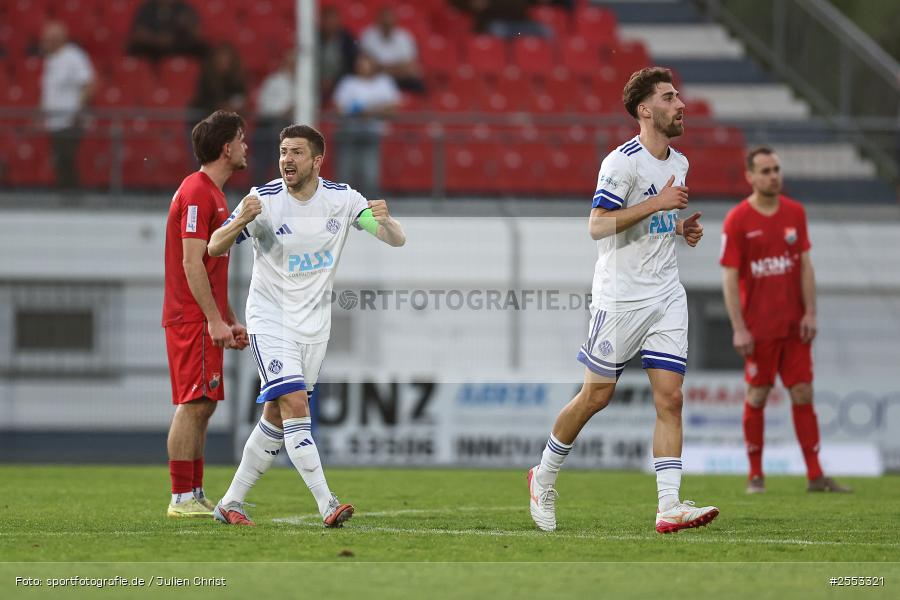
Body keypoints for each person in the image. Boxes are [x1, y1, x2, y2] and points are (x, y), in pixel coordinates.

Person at [528, 67, 715, 535]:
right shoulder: (620, 163)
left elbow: (652, 220)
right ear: (645, 110)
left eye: (679, 96)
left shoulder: (680, 162)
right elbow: (597, 225)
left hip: (666, 294)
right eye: (670, 97)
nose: (681, 104)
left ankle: (669, 505)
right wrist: (659, 206)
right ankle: (543, 475)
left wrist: (677, 227)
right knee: (597, 395)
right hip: (619, 299)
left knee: (670, 399)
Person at [207, 124, 406, 527]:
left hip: (314, 325)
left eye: (296, 152)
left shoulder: (342, 199)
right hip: (271, 318)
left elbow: (395, 240)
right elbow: (213, 245)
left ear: (317, 160)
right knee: (296, 404)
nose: (286, 160)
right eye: (283, 151)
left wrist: (387, 223)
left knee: (277, 418)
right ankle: (327, 503)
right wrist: (238, 219)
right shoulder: (262, 200)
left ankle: (230, 503)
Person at [721, 146, 851, 495]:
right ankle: (755, 475)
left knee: (803, 393)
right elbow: (730, 278)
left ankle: (815, 476)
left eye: (776, 169)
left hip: (795, 327)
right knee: (758, 395)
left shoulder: (796, 212)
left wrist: (811, 311)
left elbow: (806, 266)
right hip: (759, 329)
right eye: (765, 171)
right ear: (750, 177)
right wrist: (738, 327)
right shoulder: (737, 220)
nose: (773, 176)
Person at [162, 110, 250, 518]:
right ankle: (181, 498)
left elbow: (212, 272)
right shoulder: (197, 192)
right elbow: (192, 263)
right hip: (191, 317)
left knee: (204, 403)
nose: (247, 146)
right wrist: (213, 320)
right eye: (242, 139)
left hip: (203, 316)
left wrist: (228, 319)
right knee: (192, 403)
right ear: (226, 147)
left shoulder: (213, 193)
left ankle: (194, 494)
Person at [332, 54, 400, 198]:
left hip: (373, 133)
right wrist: (357, 110)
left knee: (370, 175)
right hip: (349, 132)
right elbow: (339, 108)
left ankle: (369, 208)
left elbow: (392, 108)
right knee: (346, 174)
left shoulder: (384, 82)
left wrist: (370, 110)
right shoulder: (348, 82)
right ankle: (344, 208)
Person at [40, 21, 95, 189]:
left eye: (50, 39)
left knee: (66, 160)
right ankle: (67, 197)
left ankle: (73, 199)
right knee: (60, 161)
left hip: (70, 121)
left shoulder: (73, 57)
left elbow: (89, 83)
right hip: (55, 122)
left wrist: (78, 111)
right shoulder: (50, 59)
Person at [252, 50, 295, 184]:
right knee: (264, 167)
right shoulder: (273, 81)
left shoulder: (302, 83)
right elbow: (264, 106)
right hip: (271, 126)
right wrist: (283, 110)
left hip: (292, 130)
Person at [359, 6, 425, 93]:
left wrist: (382, 68)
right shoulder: (368, 36)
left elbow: (410, 67)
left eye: (389, 20)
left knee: (418, 85)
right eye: (384, 20)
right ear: (378, 21)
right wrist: (395, 68)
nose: (387, 23)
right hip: (377, 79)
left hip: (400, 78)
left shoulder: (405, 37)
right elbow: (367, 65)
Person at [127, 0, 207, 60]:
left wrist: (188, 26)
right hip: (153, 47)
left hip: (177, 45)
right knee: (135, 48)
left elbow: (196, 32)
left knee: (202, 48)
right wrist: (157, 39)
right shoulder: (147, 7)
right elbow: (139, 32)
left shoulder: (184, 8)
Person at [190, 43, 247, 117]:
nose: (224, 63)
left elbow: (240, 97)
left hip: (230, 118)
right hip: (206, 118)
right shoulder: (206, 79)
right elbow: (201, 101)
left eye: (228, 60)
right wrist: (220, 106)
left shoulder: (237, 79)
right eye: (221, 59)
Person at [319, 5, 358, 102]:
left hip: (341, 80)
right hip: (317, 79)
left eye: (334, 19)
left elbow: (351, 63)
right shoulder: (315, 38)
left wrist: (335, 80)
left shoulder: (346, 38)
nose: (331, 23)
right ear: (322, 21)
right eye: (328, 20)